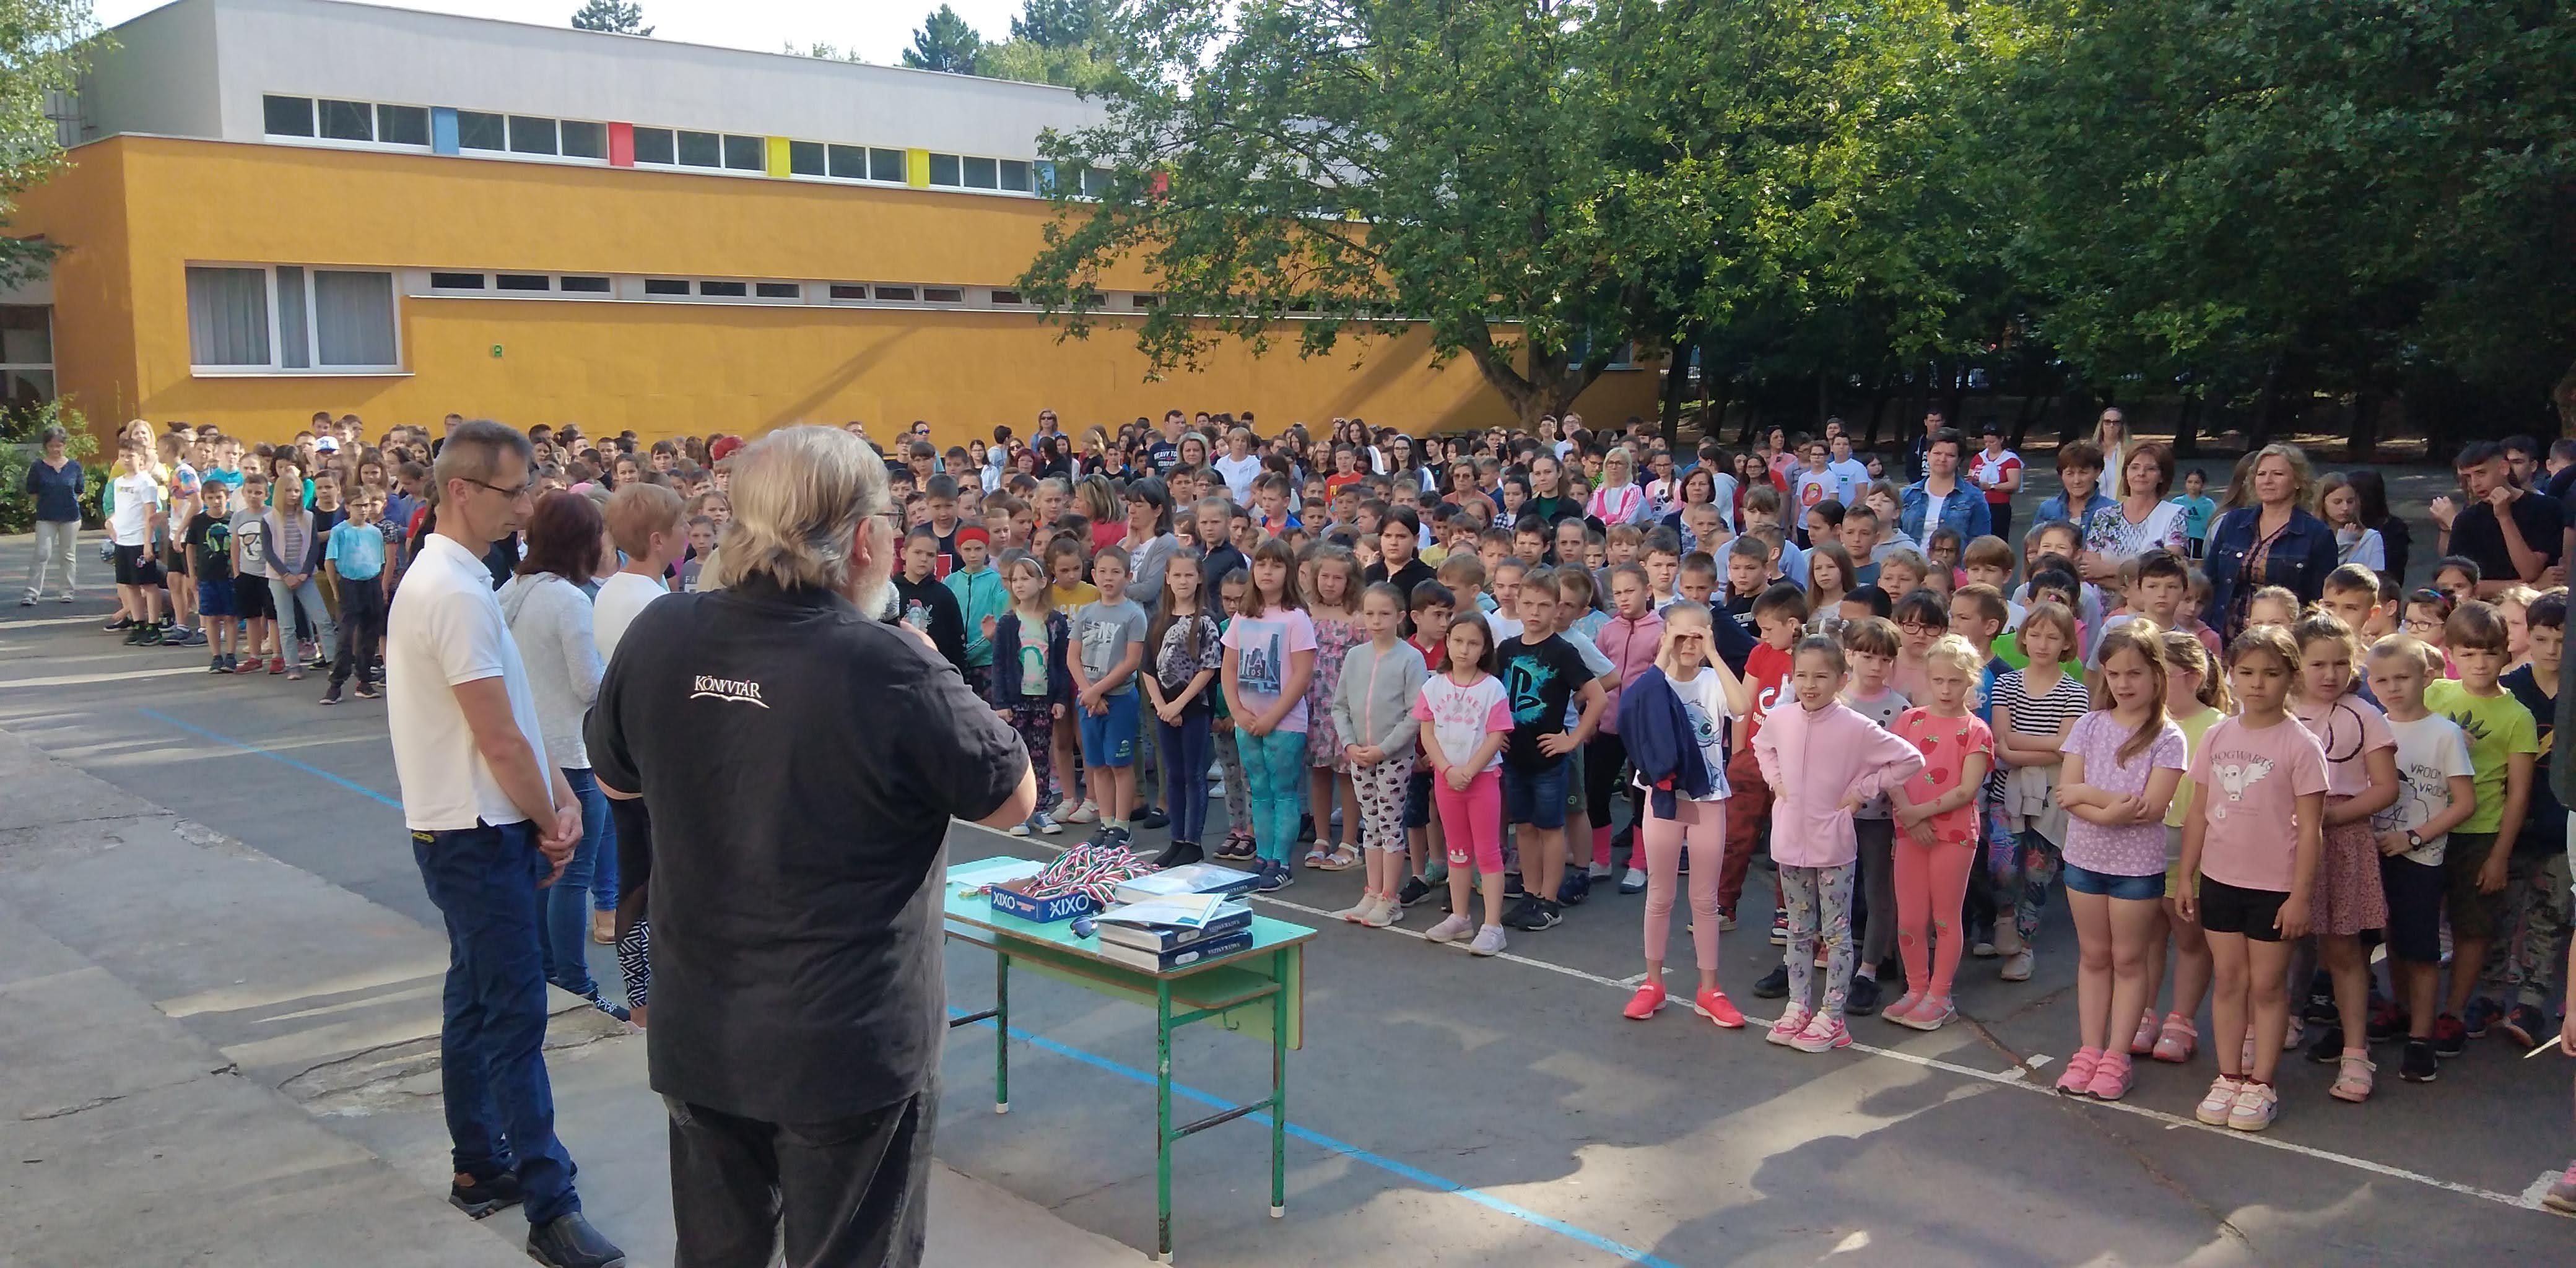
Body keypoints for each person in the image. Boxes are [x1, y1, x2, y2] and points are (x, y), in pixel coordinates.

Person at [585, 425, 1033, 1268]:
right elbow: (1014, 799)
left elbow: (615, 780)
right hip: (844, 1040)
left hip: (703, 1023)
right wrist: (932, 665)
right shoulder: (888, 662)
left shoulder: (663, 633)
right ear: (864, 538)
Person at [385, 419, 622, 1267]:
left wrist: (554, 802)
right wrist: (552, 815)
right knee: (515, 1015)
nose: (524, 507)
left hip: (480, 826)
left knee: (477, 1000)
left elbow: (516, 713)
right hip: (473, 832)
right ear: (460, 490)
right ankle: (550, 1204)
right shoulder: (450, 590)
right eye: (512, 491)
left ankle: (480, 1162)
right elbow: (497, 736)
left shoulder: (467, 579)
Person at [2179, 625, 2328, 1134]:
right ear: (2231, 676)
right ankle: (2228, 1075)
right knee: (2230, 980)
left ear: (2291, 678)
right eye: (2246, 673)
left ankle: (2262, 1082)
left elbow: (2311, 828)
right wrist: (2187, 876)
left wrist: (2300, 896)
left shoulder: (2301, 744)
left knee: (2266, 986)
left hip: (2274, 886)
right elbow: (2198, 811)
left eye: (2271, 673)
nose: (2258, 684)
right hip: (2221, 879)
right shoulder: (2219, 735)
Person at [1756, 633, 1927, 1052]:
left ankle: (1832, 1017)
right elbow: (1763, 747)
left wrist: (1860, 793)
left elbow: (1910, 760)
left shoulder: (1857, 726)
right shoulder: (1782, 718)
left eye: (1821, 676)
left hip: (1833, 844)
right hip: (1789, 840)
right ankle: (1797, 1006)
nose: (1810, 685)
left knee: (1835, 933)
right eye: (1802, 676)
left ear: (1841, 679)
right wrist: (1777, 783)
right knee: (1799, 930)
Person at [494, 492, 625, 1020]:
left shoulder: (510, 590)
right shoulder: (569, 600)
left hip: (532, 750)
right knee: (574, 873)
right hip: (572, 752)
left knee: (543, 870)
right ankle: (575, 982)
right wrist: (624, 673)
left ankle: (546, 971)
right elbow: (588, 684)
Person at [2049, 625, 2187, 1101]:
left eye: (2135, 673)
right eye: (2114, 674)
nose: (2124, 683)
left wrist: (2090, 796)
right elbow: (2067, 794)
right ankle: (2090, 1049)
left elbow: (2152, 807)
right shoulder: (2089, 725)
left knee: (2128, 960)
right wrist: (2109, 810)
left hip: (2136, 868)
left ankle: (2117, 1055)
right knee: (2094, 957)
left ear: (2157, 675)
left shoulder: (2168, 736)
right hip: (2084, 860)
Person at [1617, 601, 1749, 1026]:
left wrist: (1713, 653)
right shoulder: (1655, 682)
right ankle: (1652, 983)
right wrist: (1664, 652)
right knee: (1660, 894)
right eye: (1680, 636)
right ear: (1665, 637)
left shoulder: (1712, 681)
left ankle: (1710, 989)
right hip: (1664, 798)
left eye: (1698, 636)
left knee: (1705, 900)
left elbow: (1742, 706)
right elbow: (1631, 706)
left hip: (1708, 799)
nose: (1688, 644)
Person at [2424, 601, 2539, 1056]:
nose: (2480, 663)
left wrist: (2499, 856)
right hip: (2426, 824)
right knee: (2413, 921)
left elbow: (2519, 793)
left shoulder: (2518, 716)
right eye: (2468, 653)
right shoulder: (2435, 694)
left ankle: (2453, 1012)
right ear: (2451, 653)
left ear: (2506, 653)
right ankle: (2409, 1007)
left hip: (2480, 833)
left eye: (2489, 653)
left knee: (2471, 928)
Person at [1329, 582, 1429, 926]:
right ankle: (1372, 892)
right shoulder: (1355, 656)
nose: (1376, 621)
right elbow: (1340, 706)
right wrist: (1350, 745)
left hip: (1393, 757)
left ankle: (1390, 898)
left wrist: (1384, 749)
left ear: (1400, 617)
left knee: (1390, 825)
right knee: (1370, 825)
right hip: (1360, 756)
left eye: (1384, 614)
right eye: (1369, 613)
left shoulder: (1411, 658)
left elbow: (1416, 713)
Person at [1222, 537, 1318, 891]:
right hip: (1247, 721)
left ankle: (1281, 862)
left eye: (1276, 566)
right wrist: (1237, 711)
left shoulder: (1296, 618)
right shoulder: (1243, 616)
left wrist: (1273, 717)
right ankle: (1262, 856)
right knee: (1259, 791)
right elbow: (1229, 668)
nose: (1267, 571)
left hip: (1284, 723)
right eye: (1261, 564)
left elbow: (1302, 675)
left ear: (1288, 572)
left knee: (1283, 791)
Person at [1416, 612, 1514, 954]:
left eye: (1473, 643)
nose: (1464, 649)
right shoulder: (1433, 686)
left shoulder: (1492, 688)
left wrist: (1470, 771)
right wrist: (1446, 770)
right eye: (1458, 641)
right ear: (1447, 642)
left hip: (1481, 780)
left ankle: (1493, 926)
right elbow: (1427, 733)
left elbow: (1496, 735)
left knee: (1487, 853)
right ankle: (1460, 917)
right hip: (1447, 780)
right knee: (1457, 851)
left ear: (1485, 648)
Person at [2203, 445, 2339, 641]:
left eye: (2278, 474)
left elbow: (2319, 601)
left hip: (2281, 641)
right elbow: (2210, 580)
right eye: (2261, 474)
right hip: (2224, 636)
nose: (2267, 481)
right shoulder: (2234, 521)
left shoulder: (2317, 534)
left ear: (2298, 481)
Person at [990, 552, 1072, 838]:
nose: (1020, 585)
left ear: (1042, 582)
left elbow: (1061, 663)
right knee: (1019, 756)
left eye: (1026, 579)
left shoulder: (1055, 621)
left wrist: (1060, 698)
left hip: (1043, 699)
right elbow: (999, 664)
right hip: (1016, 700)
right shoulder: (1008, 623)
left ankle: (1041, 809)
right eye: (1015, 580)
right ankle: (1019, 812)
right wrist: (1001, 703)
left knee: (1040, 755)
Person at [2432, 440, 2564, 597]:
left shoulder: (2545, 508)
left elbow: (2529, 571)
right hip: (2484, 608)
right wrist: (2533, 586)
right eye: (2468, 477)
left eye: (2481, 473)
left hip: (2538, 606)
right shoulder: (2466, 520)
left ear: (2504, 468)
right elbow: (2460, 585)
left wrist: (2504, 517)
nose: (2475, 484)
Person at [321, 486, 393, 703]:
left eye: (367, 505)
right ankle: (336, 684)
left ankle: (364, 680)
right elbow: (330, 562)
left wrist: (380, 586)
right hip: (350, 584)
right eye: (358, 506)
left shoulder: (375, 532)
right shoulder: (340, 531)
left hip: (371, 583)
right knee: (346, 636)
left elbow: (379, 561)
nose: (363, 510)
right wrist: (336, 589)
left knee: (370, 635)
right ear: (347, 507)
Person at [1897, 427, 1991, 547]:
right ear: (1928, 455)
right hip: (1912, 558)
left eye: (1950, 455)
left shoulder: (1974, 498)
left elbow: (1981, 544)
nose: (1942, 459)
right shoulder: (1907, 495)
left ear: (1959, 460)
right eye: (1937, 453)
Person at [21, 425, 82, 604]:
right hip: (46, 517)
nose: (56, 449)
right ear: (46, 446)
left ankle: (67, 592)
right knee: (41, 554)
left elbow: (79, 491)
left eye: (59, 446)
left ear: (65, 446)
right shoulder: (38, 467)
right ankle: (31, 593)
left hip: (70, 517)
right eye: (52, 446)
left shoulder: (74, 467)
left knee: (68, 555)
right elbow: (32, 492)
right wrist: (47, 504)